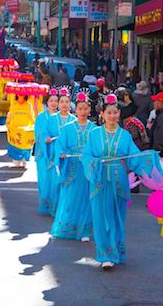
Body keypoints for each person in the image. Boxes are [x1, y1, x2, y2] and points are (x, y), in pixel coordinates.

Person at [81, 94, 157, 270]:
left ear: (119, 114)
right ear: (102, 114)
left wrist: (149, 157)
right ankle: (104, 254)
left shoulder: (124, 135)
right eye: (109, 113)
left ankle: (115, 251)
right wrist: (95, 162)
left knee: (116, 217)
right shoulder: (94, 134)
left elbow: (134, 157)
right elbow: (86, 156)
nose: (112, 116)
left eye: (115, 112)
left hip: (118, 181)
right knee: (100, 217)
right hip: (99, 180)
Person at [51, 91, 95, 241]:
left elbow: (98, 148)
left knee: (87, 198)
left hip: (88, 169)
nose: (83, 112)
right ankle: (69, 227)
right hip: (73, 168)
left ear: (90, 110)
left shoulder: (95, 129)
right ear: (75, 109)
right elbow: (60, 144)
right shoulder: (68, 128)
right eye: (80, 108)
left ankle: (85, 231)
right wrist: (61, 154)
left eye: (85, 108)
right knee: (71, 197)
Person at [45, 88, 77, 216]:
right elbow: (46, 134)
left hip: (69, 154)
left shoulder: (74, 120)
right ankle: (56, 207)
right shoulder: (52, 119)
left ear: (70, 104)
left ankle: (67, 208)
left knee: (69, 181)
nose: (64, 104)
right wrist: (47, 139)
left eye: (67, 102)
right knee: (56, 181)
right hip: (55, 152)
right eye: (62, 101)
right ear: (58, 104)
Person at [33, 89, 59, 215]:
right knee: (44, 179)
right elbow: (38, 133)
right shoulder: (41, 117)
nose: (54, 103)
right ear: (47, 102)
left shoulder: (62, 117)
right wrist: (45, 139)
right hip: (43, 153)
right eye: (51, 100)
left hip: (57, 153)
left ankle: (55, 205)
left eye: (56, 101)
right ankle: (46, 204)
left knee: (56, 180)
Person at [6, 94, 36, 168]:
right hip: (15, 129)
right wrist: (8, 122)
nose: (20, 96)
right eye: (19, 94)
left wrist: (35, 124)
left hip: (25, 129)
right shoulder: (14, 105)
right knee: (15, 144)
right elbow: (11, 115)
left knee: (25, 145)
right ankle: (16, 159)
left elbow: (31, 117)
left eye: (22, 94)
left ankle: (24, 159)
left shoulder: (28, 105)